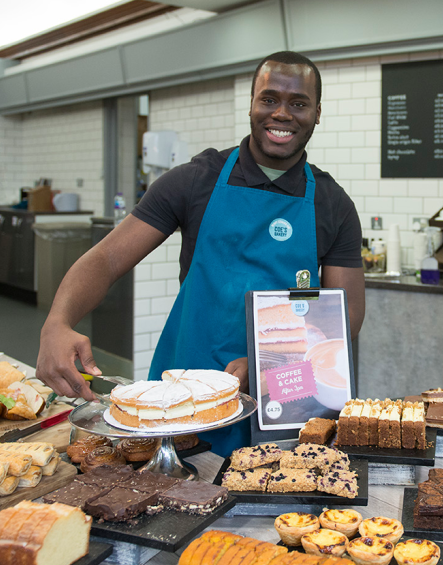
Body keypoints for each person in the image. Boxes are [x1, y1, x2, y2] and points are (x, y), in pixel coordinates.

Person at [37, 51, 365, 456]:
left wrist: (267, 365)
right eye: (269, 99)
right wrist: (58, 321)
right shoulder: (196, 180)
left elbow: (344, 318)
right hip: (185, 395)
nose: (282, 113)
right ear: (251, 105)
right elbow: (107, 259)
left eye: (298, 103)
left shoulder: (332, 204)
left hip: (287, 397)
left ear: (317, 113)